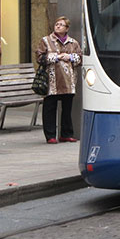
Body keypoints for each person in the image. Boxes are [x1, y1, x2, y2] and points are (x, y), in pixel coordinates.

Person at [35, 16, 82, 144]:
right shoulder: (46, 41)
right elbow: (39, 57)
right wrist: (56, 57)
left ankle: (66, 134)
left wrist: (71, 57)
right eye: (56, 24)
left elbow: (81, 58)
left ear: (67, 28)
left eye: (61, 25)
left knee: (67, 109)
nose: (58, 26)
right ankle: (50, 135)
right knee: (50, 108)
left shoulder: (73, 43)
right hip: (51, 81)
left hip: (68, 81)